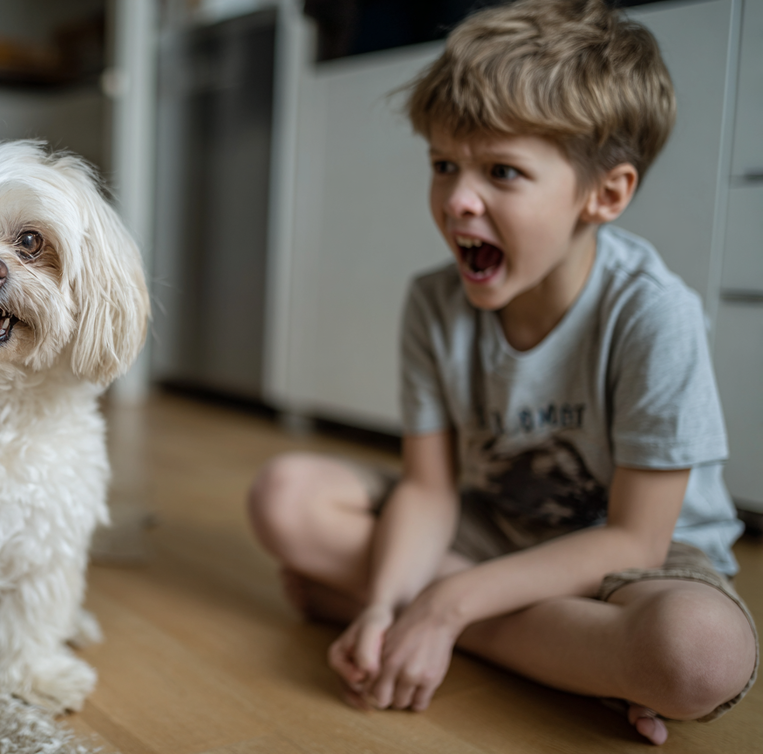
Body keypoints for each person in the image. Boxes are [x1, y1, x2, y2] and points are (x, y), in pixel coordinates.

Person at [246, 0, 757, 745]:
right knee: (284, 495)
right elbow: (427, 486)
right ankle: (555, 653)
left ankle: (457, 624)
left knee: (701, 655)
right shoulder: (433, 302)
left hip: (624, 552)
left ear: (605, 194)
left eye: (503, 172)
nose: (457, 199)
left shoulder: (654, 315)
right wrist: (390, 605)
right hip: (490, 523)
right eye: (444, 164)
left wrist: (449, 603)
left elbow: (633, 544)